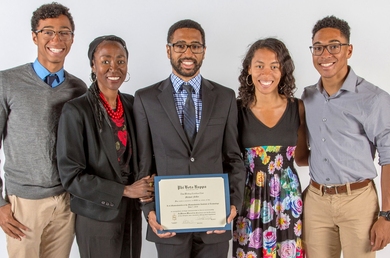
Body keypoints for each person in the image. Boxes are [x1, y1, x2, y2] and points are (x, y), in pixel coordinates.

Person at [133, 19, 245, 258]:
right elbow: (144, 163)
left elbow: (233, 157)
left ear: (204, 51)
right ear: (168, 50)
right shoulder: (146, 99)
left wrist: (233, 204)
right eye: (180, 45)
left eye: (195, 46)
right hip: (168, 222)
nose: (188, 52)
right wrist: (149, 209)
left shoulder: (225, 97)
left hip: (215, 221)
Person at [0, 2, 86, 258]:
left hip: (67, 202)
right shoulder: (7, 83)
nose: (56, 39)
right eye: (48, 31)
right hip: (23, 204)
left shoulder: (78, 89)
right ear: (35, 36)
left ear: (72, 39)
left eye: (64, 32)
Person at [56, 35, 154, 258]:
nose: (114, 68)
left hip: (130, 213)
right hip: (96, 216)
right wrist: (126, 190)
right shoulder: (76, 110)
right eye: (105, 60)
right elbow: (71, 176)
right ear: (93, 64)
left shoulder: (132, 104)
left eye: (120, 61)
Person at [302, 15, 390, 257]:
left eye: (334, 46)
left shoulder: (374, 99)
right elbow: (303, 154)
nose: (325, 54)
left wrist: (387, 215)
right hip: (317, 201)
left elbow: (388, 157)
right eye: (318, 48)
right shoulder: (308, 98)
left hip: (358, 202)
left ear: (348, 50)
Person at [232, 38, 309, 258]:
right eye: (259, 66)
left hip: (287, 201)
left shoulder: (297, 107)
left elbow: (302, 157)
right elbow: (228, 157)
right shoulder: (236, 109)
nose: (267, 73)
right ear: (249, 69)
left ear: (283, 70)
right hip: (248, 199)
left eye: (274, 66)